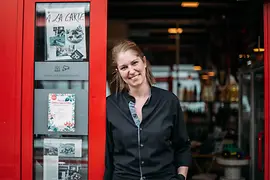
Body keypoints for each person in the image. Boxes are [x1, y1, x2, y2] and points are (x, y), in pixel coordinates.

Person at [104, 40, 191, 180]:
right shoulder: (110, 105)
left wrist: (181, 177)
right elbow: (107, 155)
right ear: (118, 72)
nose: (131, 71)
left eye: (134, 63)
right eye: (124, 67)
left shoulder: (168, 101)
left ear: (144, 62)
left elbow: (182, 146)